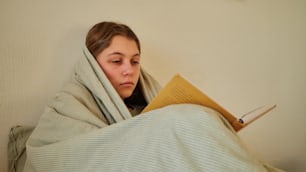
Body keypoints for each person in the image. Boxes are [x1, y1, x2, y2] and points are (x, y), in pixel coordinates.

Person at [21, 21, 284, 172]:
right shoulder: (67, 105)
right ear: (92, 67)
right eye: (116, 61)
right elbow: (56, 156)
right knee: (188, 120)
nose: (129, 70)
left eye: (135, 61)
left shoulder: (141, 104)